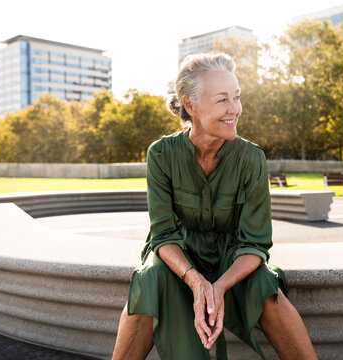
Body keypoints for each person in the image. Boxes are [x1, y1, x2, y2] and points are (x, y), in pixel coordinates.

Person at [112, 53, 316, 360]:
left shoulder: (251, 158)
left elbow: (255, 243)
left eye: (237, 97)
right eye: (223, 100)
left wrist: (217, 288)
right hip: (178, 258)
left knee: (264, 285)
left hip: (234, 259)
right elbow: (163, 236)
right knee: (149, 281)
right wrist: (196, 281)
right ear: (190, 106)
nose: (235, 109)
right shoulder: (161, 154)